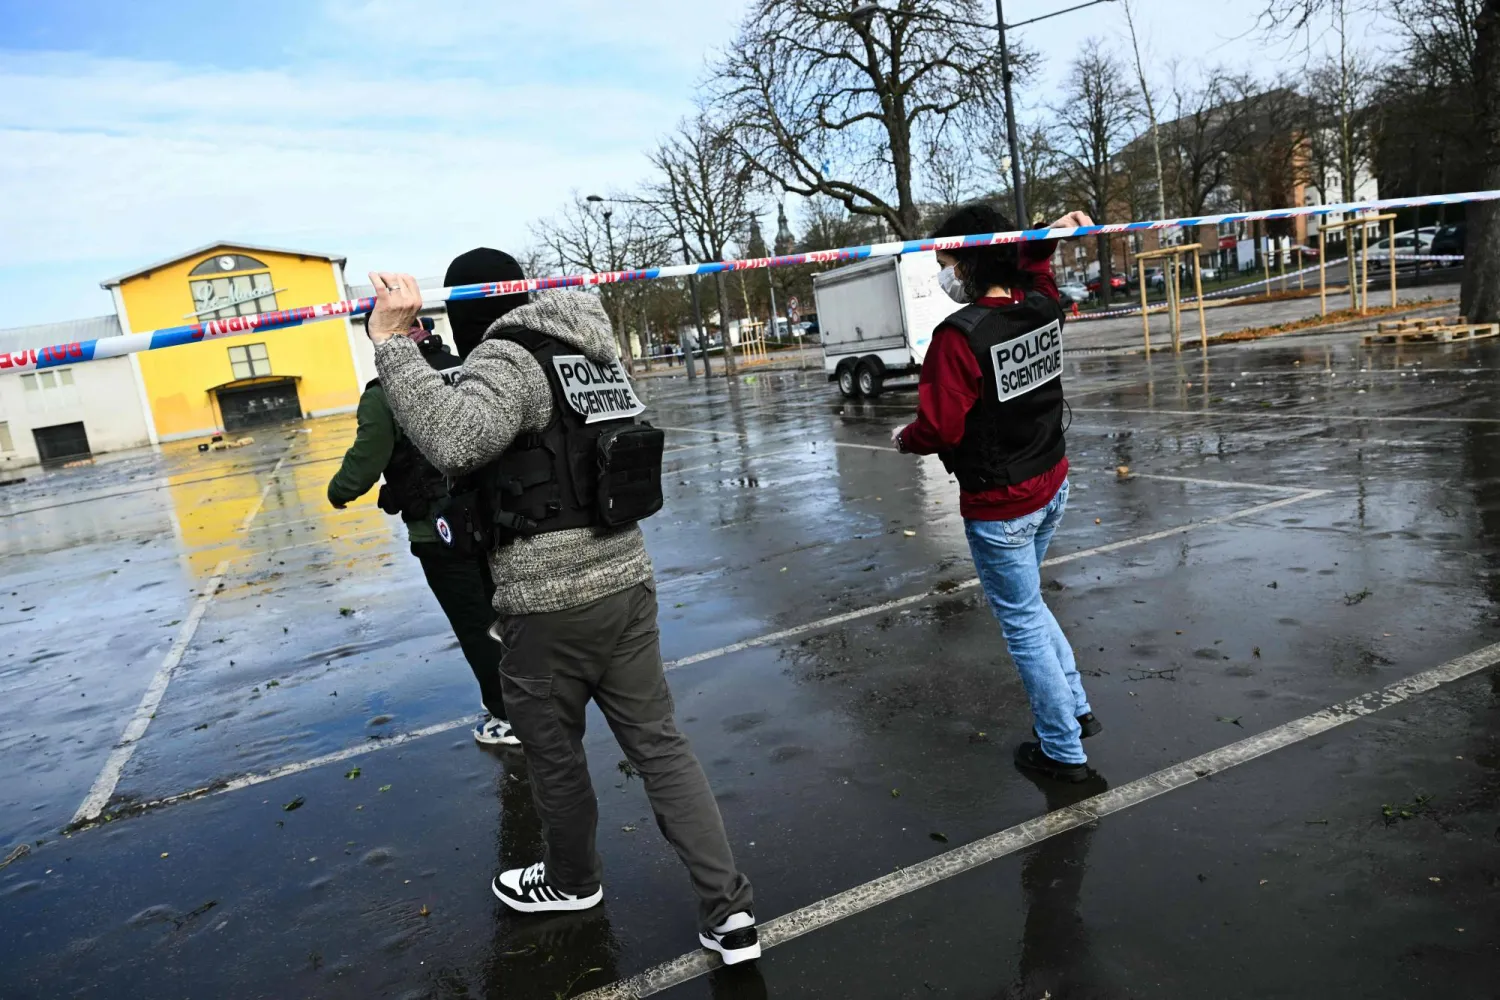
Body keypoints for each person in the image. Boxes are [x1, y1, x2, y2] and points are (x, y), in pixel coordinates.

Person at [363, 249, 759, 966]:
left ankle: (573, 882)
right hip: (626, 580)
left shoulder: (510, 357)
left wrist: (393, 344)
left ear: (472, 310)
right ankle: (730, 913)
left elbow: (456, 438)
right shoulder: (592, 352)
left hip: (549, 602)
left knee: (553, 755)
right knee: (661, 748)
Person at [892, 204, 1102, 783]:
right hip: (1051, 481)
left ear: (974, 259)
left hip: (1002, 504)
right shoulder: (1041, 305)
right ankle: (1076, 708)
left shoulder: (957, 339)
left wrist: (906, 440)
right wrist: (1049, 235)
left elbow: (940, 428)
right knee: (1030, 607)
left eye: (948, 260)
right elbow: (1035, 266)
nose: (944, 273)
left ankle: (1062, 751)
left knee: (1021, 622)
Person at [327, 318, 519, 746]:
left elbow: (364, 461)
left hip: (441, 533)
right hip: (498, 520)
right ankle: (540, 698)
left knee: (476, 626)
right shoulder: (468, 367)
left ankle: (511, 718)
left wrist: (337, 492)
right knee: (509, 615)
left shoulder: (384, 394)